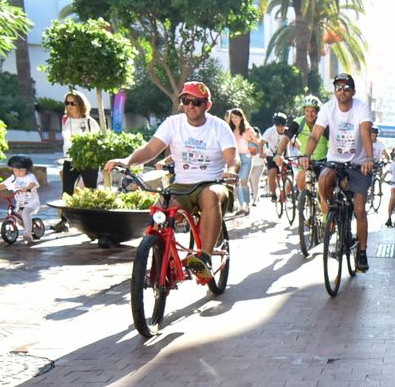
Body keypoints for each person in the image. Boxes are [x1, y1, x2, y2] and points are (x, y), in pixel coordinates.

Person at [106, 81, 237, 278]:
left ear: (207, 105)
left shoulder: (219, 127)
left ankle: (205, 258)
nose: (190, 106)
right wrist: (127, 161)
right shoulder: (172, 123)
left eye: (197, 102)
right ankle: (161, 261)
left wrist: (231, 169)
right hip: (182, 186)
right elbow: (151, 149)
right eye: (186, 100)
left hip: (213, 183)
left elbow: (233, 158)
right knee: (160, 211)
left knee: (210, 196)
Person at [304, 73, 376, 273]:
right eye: (338, 87)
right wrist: (306, 155)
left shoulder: (361, 108)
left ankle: (361, 251)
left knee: (360, 209)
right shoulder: (328, 108)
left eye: (346, 88)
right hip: (335, 161)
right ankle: (331, 214)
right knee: (323, 179)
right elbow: (315, 134)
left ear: (352, 91)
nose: (341, 91)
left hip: (359, 164)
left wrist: (369, 159)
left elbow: (364, 132)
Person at [52, 90, 101, 231]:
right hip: (69, 160)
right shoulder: (65, 120)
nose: (69, 105)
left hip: (87, 161)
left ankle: (94, 222)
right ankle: (64, 222)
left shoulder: (90, 122)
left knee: (91, 192)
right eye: (67, 102)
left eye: (72, 103)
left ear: (80, 103)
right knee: (66, 192)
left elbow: (97, 142)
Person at [0, 155, 41, 245]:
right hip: (20, 204)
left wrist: (27, 188)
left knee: (25, 213)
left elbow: (32, 183)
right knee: (18, 219)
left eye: (21, 170)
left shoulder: (30, 177)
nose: (18, 172)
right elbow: (4, 184)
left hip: (31, 203)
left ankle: (28, 233)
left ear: (27, 170)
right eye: (15, 170)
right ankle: (30, 228)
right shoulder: (14, 178)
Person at [226, 107, 259, 215]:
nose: (234, 119)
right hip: (235, 157)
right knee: (237, 182)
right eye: (232, 117)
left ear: (241, 117)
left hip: (246, 157)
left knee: (244, 181)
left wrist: (249, 141)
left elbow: (257, 143)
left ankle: (247, 205)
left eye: (236, 117)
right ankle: (241, 206)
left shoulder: (248, 129)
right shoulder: (229, 130)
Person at [262, 113, 290, 204]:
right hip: (271, 156)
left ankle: (287, 193)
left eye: (283, 125)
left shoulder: (288, 131)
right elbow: (261, 143)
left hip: (285, 156)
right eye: (278, 125)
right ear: (275, 125)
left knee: (287, 175)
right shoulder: (270, 131)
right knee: (272, 173)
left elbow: (295, 142)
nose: (281, 127)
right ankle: (273, 194)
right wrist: (261, 153)